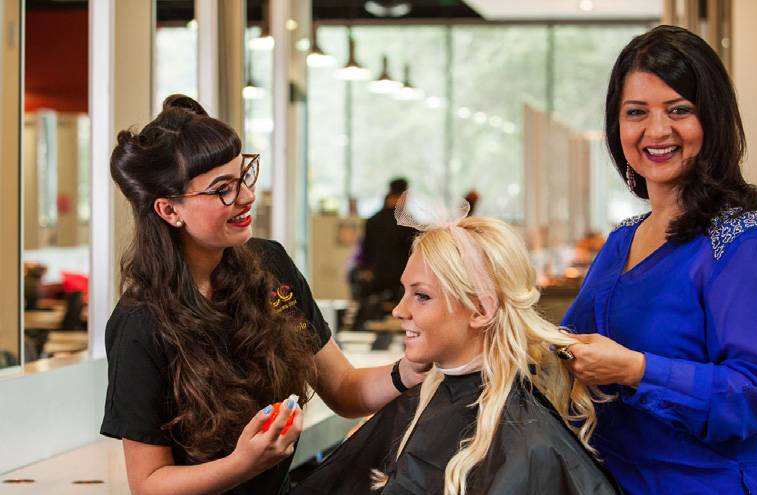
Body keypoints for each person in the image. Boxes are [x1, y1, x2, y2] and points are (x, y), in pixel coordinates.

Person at [100, 95, 428, 495]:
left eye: (245, 175)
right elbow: (149, 484)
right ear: (170, 211)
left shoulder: (270, 266)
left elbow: (342, 387)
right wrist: (241, 465)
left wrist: (410, 371)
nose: (246, 196)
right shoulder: (140, 324)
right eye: (223, 189)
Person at [560, 25, 757, 494]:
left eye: (679, 110)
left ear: (711, 119)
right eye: (636, 113)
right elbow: (566, 349)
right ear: (617, 126)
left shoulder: (742, 246)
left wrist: (635, 370)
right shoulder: (620, 242)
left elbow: (754, 396)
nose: (657, 130)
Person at [293, 198, 621, 495]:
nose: (399, 310)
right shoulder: (423, 398)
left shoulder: (529, 444)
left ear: (480, 310)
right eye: (404, 291)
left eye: (421, 296)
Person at [351, 178, 416, 332]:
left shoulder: (373, 220)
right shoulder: (408, 222)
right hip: (400, 283)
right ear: (404, 195)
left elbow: (365, 256)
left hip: (377, 281)